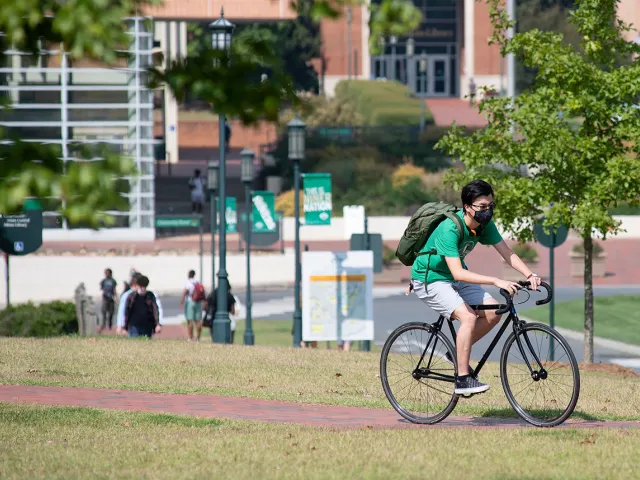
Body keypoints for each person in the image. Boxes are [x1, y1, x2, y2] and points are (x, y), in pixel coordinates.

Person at [410, 179, 542, 396]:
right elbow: (458, 273)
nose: (487, 211)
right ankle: (462, 379)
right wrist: (496, 280)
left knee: (494, 312)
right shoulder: (450, 228)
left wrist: (529, 274)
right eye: (482, 207)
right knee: (469, 317)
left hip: (454, 277)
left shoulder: (484, 225)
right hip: (430, 278)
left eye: (490, 205)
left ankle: (455, 355)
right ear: (467, 207)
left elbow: (507, 252)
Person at [180, 270, 205, 342]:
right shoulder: (198, 282)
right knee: (198, 320)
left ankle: (190, 338)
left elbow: (185, 291)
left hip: (190, 302)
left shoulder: (188, 282)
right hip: (199, 302)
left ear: (189, 275)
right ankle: (198, 338)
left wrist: (182, 301)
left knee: (190, 320)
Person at [99, 268, 118, 332]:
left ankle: (110, 325)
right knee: (104, 312)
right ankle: (103, 324)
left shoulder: (113, 281)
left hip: (111, 299)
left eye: (107, 273)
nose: (106, 274)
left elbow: (114, 289)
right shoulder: (103, 281)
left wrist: (115, 297)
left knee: (111, 313)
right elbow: (101, 288)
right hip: (105, 298)